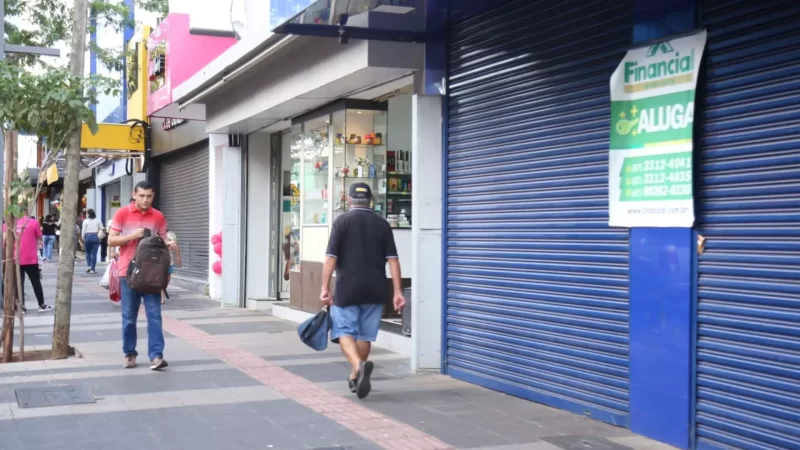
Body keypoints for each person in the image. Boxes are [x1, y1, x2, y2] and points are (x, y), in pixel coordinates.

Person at [320, 182, 405, 400]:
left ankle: (358, 366)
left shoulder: (342, 222)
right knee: (365, 336)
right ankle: (356, 375)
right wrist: (398, 292)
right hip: (376, 289)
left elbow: (331, 258)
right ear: (371, 201)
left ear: (349, 200)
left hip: (347, 289)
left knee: (344, 332)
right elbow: (393, 260)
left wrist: (324, 287)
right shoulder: (382, 224)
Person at [108, 181, 174, 371]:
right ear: (134, 195)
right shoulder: (122, 213)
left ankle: (156, 356)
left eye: (149, 196)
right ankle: (130, 353)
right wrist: (132, 236)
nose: (145, 199)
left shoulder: (158, 216)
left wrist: (168, 248)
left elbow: (163, 240)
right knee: (129, 317)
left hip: (152, 273)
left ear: (153, 196)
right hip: (127, 273)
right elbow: (111, 240)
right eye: (142, 196)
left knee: (155, 315)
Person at [3, 216, 53, 313]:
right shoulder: (33, 222)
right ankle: (41, 304)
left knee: (19, 283)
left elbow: (4, 241)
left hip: (15, 258)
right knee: (36, 282)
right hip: (31, 258)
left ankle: (21, 306)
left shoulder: (8, 224)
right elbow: (40, 238)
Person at [162, 229, 181, 304]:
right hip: (160, 260)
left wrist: (178, 258)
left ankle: (163, 288)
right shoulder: (156, 234)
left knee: (168, 277)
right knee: (161, 277)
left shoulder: (171, 234)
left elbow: (175, 246)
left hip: (169, 260)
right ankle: (162, 295)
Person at [81, 209, 103, 273]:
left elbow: (83, 230)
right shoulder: (98, 220)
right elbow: (102, 228)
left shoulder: (85, 221)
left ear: (88, 214)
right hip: (96, 236)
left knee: (87, 253)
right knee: (94, 254)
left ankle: (89, 266)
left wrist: (83, 238)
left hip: (88, 236)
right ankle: (93, 269)